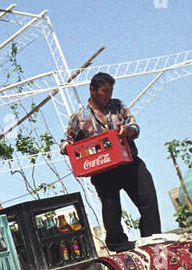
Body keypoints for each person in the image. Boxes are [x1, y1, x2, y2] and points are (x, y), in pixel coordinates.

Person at [66, 72, 162, 252]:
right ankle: (117, 244)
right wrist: (66, 148)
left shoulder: (118, 106)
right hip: (103, 169)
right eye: (104, 91)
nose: (108, 95)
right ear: (92, 90)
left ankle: (151, 237)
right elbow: (67, 142)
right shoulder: (79, 117)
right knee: (111, 207)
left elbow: (135, 127)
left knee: (147, 196)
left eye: (110, 91)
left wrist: (127, 131)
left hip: (128, 162)